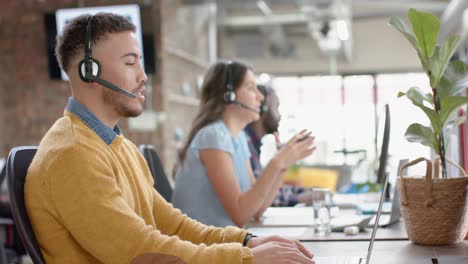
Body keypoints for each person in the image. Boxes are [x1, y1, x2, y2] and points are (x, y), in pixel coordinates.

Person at [24, 13, 315, 264]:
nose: (143, 76)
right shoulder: (71, 155)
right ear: (90, 71)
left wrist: (247, 242)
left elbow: (173, 226)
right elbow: (140, 252)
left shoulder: (119, 147)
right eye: (130, 63)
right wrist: (245, 258)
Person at [172, 60, 316, 228]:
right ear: (229, 96)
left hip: (221, 243)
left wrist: (283, 165)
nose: (260, 97)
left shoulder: (239, 137)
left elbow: (256, 209)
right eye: (250, 87)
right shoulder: (213, 136)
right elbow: (240, 215)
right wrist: (277, 162)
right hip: (200, 247)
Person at [245, 84, 313, 207]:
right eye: (275, 108)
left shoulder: (253, 144)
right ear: (262, 109)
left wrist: (305, 192)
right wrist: (299, 197)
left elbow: (265, 191)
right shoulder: (245, 143)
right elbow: (257, 198)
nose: (280, 115)